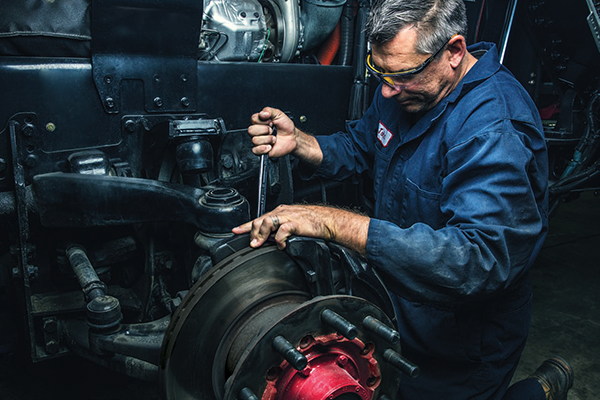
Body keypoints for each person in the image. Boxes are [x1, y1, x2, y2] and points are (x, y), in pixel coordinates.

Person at [232, 0, 574, 398]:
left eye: (402, 76)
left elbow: (480, 259)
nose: (387, 91)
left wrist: (334, 222)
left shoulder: (493, 127)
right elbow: (363, 144)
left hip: (461, 345)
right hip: (396, 315)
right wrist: (302, 144)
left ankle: (541, 388)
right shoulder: (404, 88)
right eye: (379, 72)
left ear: (454, 51)